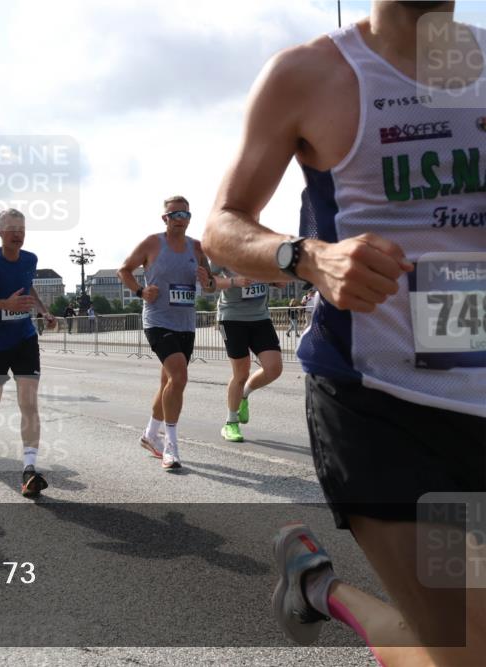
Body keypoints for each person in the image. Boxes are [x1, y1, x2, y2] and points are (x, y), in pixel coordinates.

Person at [202, 3, 485, 663]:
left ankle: (317, 587)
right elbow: (223, 223)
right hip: (379, 406)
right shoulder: (310, 73)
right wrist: (307, 257)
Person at [0, 208, 57, 498]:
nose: (18, 233)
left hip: (24, 338)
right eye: (11, 228)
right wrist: (5, 303)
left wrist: (43, 311)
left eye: (22, 228)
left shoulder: (30, 259)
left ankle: (29, 469)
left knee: (28, 402)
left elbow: (27, 286)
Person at [118, 195, 215, 469]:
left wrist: (206, 281)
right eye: (175, 214)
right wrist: (140, 291)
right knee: (180, 377)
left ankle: (149, 435)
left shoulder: (197, 247)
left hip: (186, 322)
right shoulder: (152, 243)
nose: (181, 219)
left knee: (168, 384)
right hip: (158, 320)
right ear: (165, 218)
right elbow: (123, 270)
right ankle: (171, 445)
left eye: (185, 214)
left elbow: (208, 286)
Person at [210, 266, 284, 442]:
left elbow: (280, 281)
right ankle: (230, 422)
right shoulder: (223, 250)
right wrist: (234, 281)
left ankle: (244, 394)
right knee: (241, 373)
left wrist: (276, 278)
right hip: (232, 318)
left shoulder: (263, 250)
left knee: (274, 368)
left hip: (260, 317)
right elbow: (209, 282)